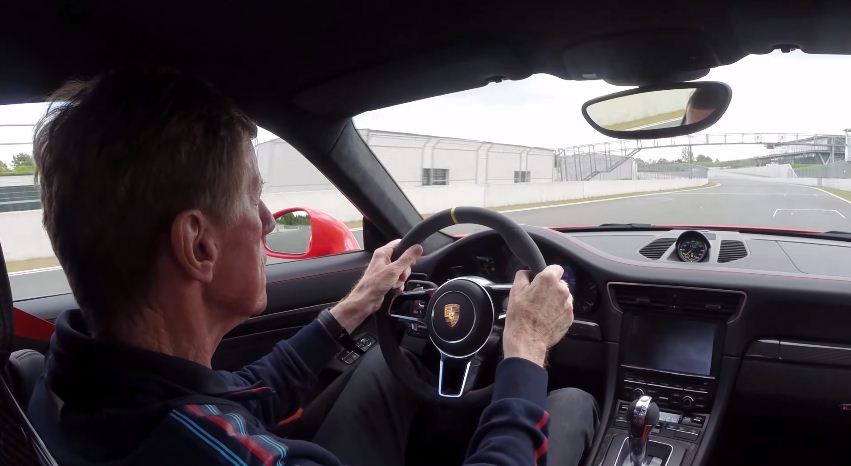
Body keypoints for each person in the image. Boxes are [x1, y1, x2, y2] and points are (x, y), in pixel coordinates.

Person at [27, 68, 597, 466]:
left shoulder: (65, 380)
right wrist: (524, 345)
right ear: (198, 246)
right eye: (253, 198)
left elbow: (241, 392)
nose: (269, 221)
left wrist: (355, 306)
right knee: (568, 406)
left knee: (381, 369)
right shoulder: (202, 447)